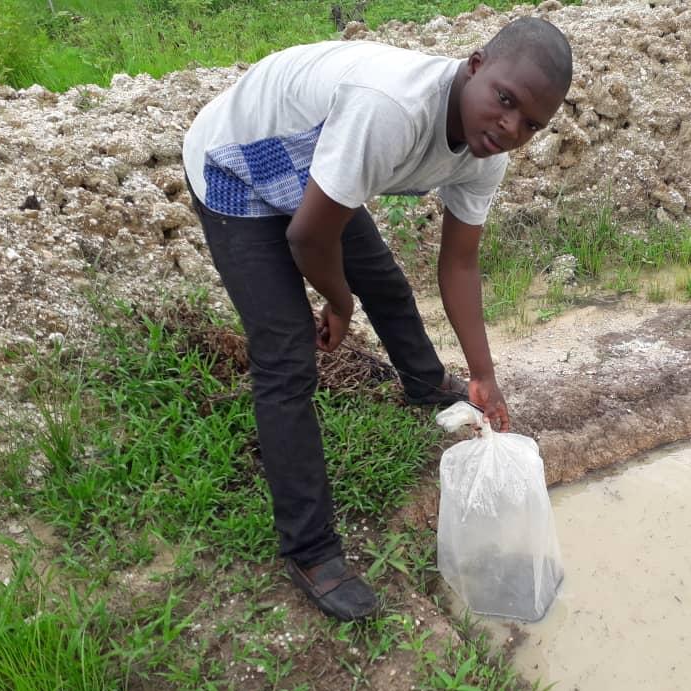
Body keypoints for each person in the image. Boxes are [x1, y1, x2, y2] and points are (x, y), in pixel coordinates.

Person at [182, 17, 573, 621]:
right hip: (236, 161)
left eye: (531, 124)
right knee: (287, 356)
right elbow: (309, 238)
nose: (510, 127)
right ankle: (311, 551)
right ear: (474, 65)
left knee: (383, 280)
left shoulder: (484, 152)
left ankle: (424, 382)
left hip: (320, 161)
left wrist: (482, 373)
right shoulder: (391, 109)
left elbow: (460, 266)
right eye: (505, 100)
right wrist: (337, 304)